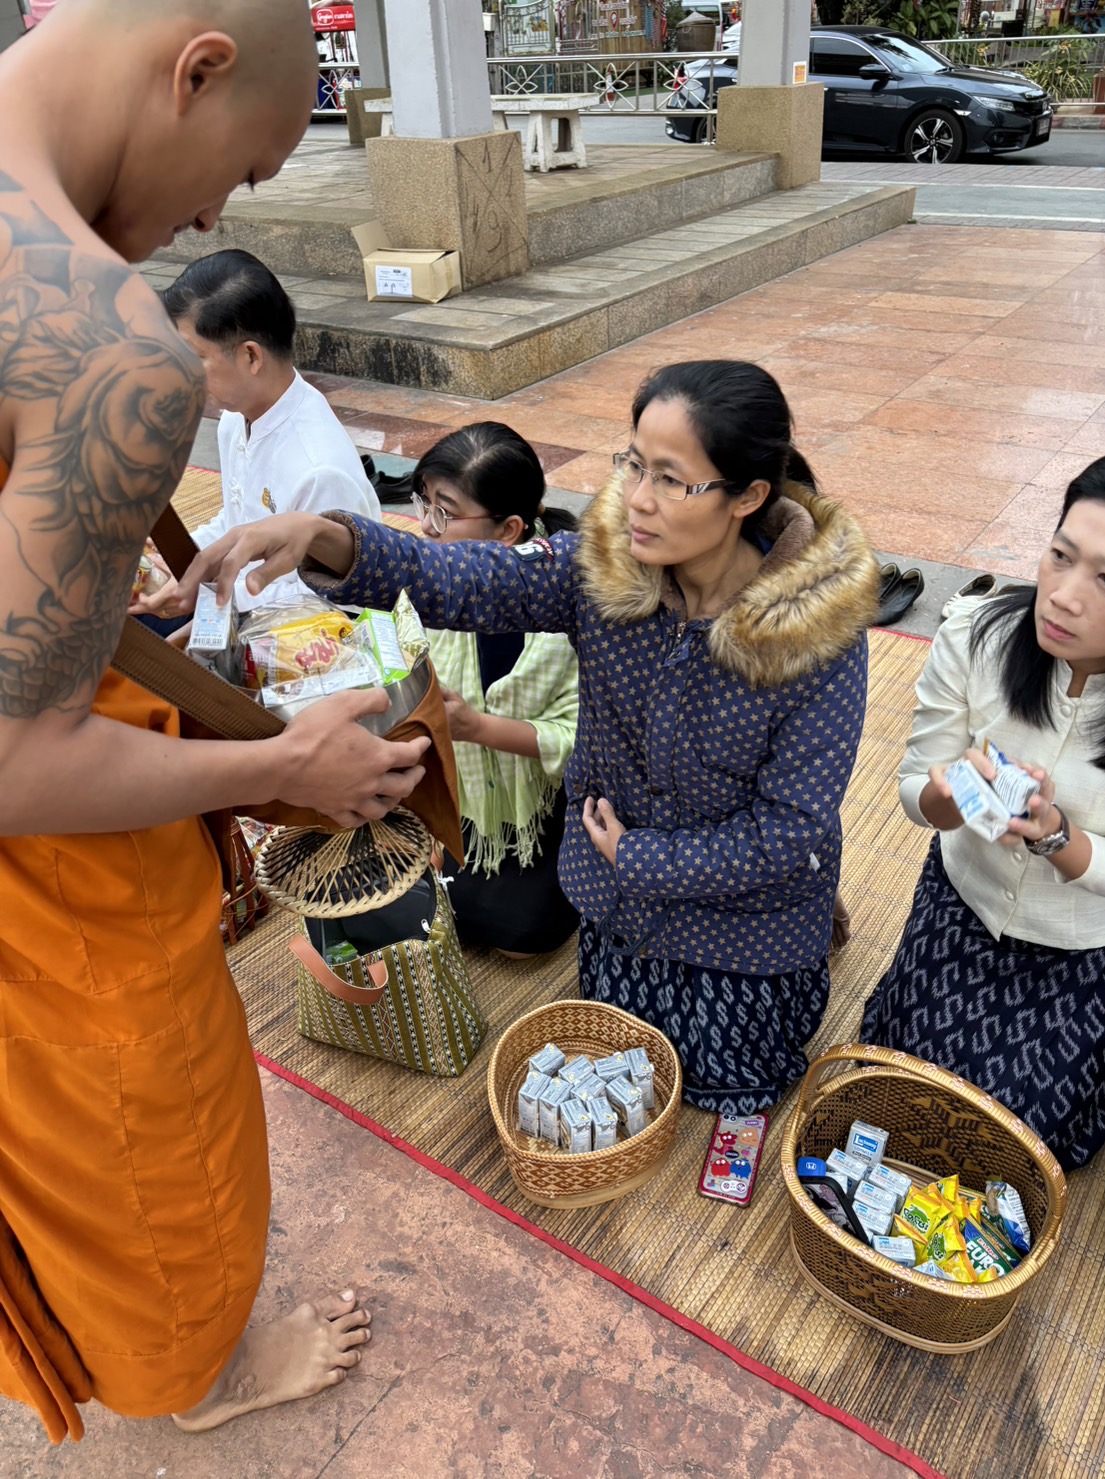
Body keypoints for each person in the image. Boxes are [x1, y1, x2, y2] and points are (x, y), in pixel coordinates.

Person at [0, 0, 432, 1444]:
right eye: (242, 175)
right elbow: (14, 761)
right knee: (148, 1124)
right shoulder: (103, 342)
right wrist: (283, 761)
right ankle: (196, 1370)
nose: (209, 218)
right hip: (45, 875)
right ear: (198, 70)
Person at [179, 360, 879, 1116]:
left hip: (744, 921)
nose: (635, 501)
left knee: (726, 1081)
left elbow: (792, 825)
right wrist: (326, 537)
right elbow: (464, 577)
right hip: (615, 899)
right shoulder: (605, 568)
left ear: (747, 496)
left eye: (673, 480)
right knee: (613, 1052)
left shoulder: (819, 638)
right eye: (634, 464)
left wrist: (638, 854)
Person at [860, 457, 1105, 1172]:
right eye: (1059, 555)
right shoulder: (977, 634)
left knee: (1008, 1145)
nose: (1061, 597)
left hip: (1079, 946)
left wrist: (1059, 837)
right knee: (899, 1105)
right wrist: (951, 789)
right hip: (961, 902)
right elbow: (916, 791)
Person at [133, 248, 380, 619]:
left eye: (194, 356)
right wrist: (183, 558)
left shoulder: (319, 468)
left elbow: (331, 605)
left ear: (251, 356)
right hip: (237, 605)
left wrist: (206, 598)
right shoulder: (236, 417)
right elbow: (235, 520)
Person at [410, 423, 580, 957]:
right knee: (417, 913)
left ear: (508, 531)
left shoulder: (566, 611)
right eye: (424, 505)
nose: (427, 529)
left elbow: (584, 738)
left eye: (445, 510)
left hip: (548, 804)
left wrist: (475, 727)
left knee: (519, 939)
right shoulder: (432, 589)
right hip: (463, 795)